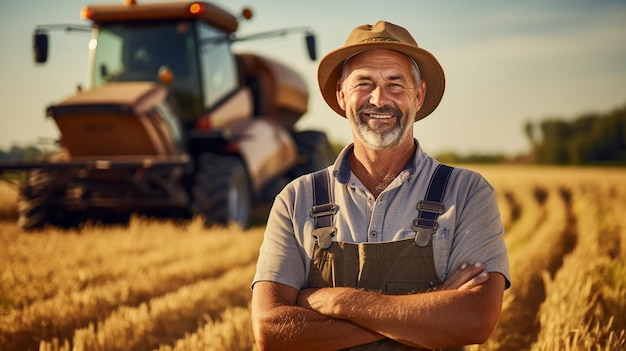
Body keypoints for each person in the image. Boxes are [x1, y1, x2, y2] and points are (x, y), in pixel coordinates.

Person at [251, 20, 511, 351]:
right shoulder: (296, 198)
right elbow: (270, 331)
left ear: (418, 95)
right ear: (342, 95)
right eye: (364, 83)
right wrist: (434, 304)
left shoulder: (466, 193)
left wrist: (342, 302)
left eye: (395, 84)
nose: (379, 99)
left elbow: (474, 321)